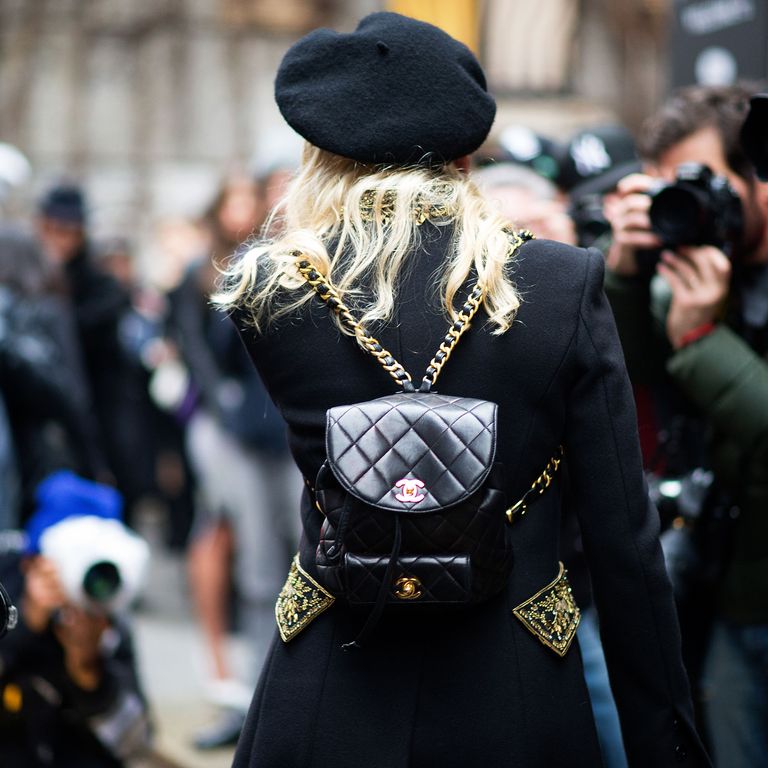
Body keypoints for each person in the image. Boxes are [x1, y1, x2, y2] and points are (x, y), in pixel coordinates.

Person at [215, 13, 711, 767]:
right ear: (464, 152)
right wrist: (663, 743)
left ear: (325, 150)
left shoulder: (270, 291)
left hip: (329, 679)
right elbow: (625, 542)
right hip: (513, 683)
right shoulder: (561, 282)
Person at [603, 84, 768, 768]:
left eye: (706, 183)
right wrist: (624, 276)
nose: (688, 204)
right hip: (733, 594)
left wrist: (701, 338)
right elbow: (634, 381)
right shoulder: (690, 272)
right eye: (668, 188)